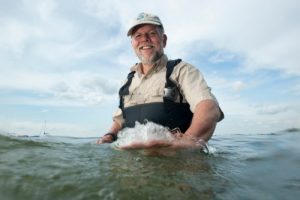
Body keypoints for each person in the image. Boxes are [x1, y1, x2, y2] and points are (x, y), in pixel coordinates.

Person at [96, 12, 224, 148]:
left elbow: (208, 108)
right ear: (132, 43)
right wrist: (109, 135)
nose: (144, 39)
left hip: (176, 164)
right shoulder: (128, 82)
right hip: (131, 164)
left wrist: (183, 143)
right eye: (138, 35)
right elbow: (120, 120)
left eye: (151, 33)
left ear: (164, 40)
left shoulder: (182, 71)